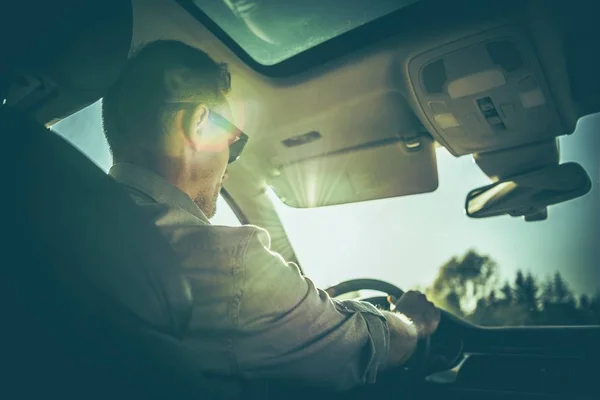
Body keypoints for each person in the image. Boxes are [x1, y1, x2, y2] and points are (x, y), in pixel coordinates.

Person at [102, 40, 440, 396]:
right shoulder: (226, 265)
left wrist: (298, 304)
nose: (228, 168)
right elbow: (365, 344)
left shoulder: (70, 228)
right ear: (200, 125)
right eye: (232, 140)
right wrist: (412, 323)